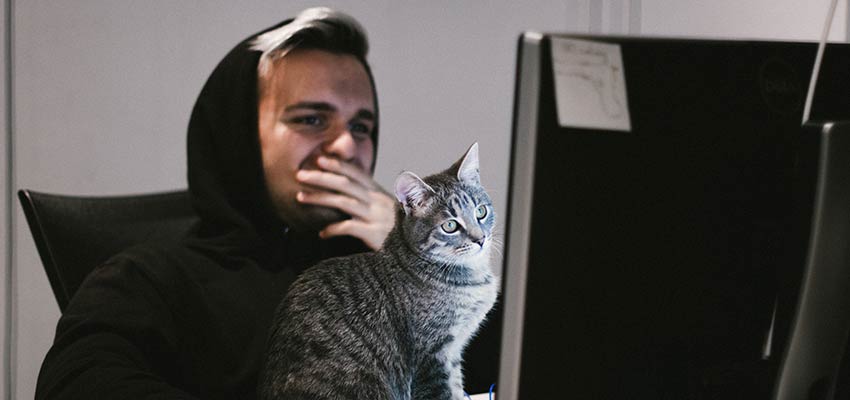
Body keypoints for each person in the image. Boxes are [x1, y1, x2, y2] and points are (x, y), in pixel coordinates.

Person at [34, 8, 396, 399]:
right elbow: (78, 386)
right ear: (238, 137)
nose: (346, 146)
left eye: (360, 127)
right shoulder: (146, 281)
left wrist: (424, 256)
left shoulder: (381, 269)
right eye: (311, 119)